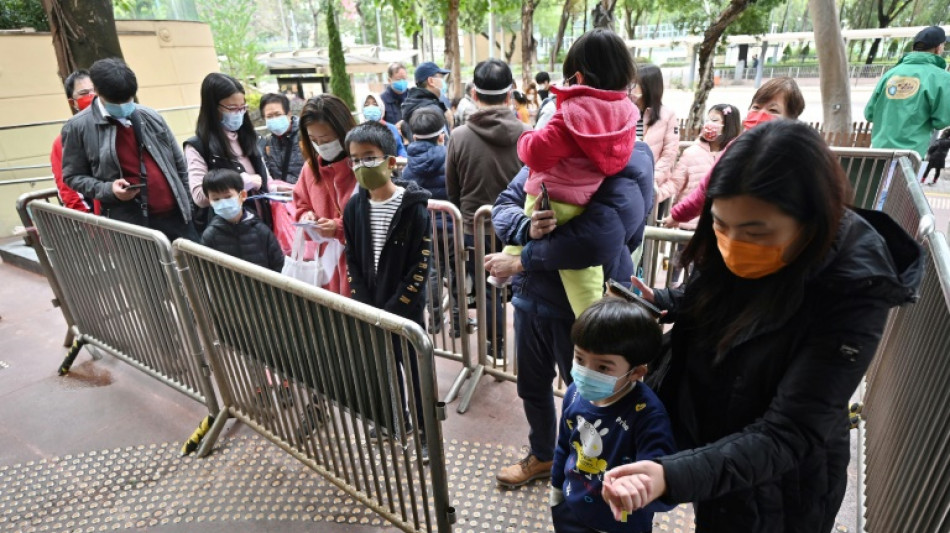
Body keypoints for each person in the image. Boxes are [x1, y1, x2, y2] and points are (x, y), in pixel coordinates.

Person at [600, 120, 923, 533]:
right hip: (718, 446)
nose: (733, 245)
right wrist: (662, 301)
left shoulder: (855, 291)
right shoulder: (736, 241)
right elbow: (709, 294)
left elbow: (789, 432)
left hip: (780, 487)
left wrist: (672, 476)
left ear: (813, 220)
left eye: (756, 232)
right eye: (719, 225)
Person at [488, 28, 654, 489]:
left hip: (583, 306)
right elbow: (505, 200)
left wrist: (521, 260)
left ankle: (588, 470)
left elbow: (598, 240)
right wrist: (526, 228)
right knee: (531, 387)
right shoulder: (557, 146)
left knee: (587, 395)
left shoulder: (632, 158)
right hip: (532, 301)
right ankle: (543, 454)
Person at [495, 27, 641, 319]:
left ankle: (587, 318)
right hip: (583, 199)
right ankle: (587, 315)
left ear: (579, 77)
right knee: (582, 277)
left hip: (550, 198)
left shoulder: (574, 112)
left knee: (538, 235)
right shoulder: (626, 116)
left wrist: (526, 137)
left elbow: (535, 152)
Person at [342, 121, 432, 462]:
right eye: (354, 160)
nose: (360, 166)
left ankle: (425, 431)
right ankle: (396, 421)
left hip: (405, 312)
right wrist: (365, 304)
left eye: (369, 157)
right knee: (383, 368)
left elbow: (420, 267)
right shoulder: (353, 208)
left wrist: (394, 309)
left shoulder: (414, 209)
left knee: (415, 370)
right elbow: (351, 256)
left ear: (390, 161)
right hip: (372, 307)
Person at [551, 297, 676, 533]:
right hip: (571, 509)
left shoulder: (648, 416)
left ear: (636, 372)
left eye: (603, 367)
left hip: (621, 524)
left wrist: (638, 492)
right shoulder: (574, 393)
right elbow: (564, 446)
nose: (585, 372)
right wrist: (557, 490)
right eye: (579, 359)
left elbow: (663, 481)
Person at [61, 58, 197, 242]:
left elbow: (179, 165)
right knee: (149, 271)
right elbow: (72, 176)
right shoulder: (78, 127)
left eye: (128, 100)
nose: (123, 106)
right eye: (116, 102)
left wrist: (189, 207)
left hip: (178, 217)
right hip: (132, 226)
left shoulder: (149, 116)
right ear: (98, 92)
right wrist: (109, 189)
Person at [446, 59, 530, 350]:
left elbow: (452, 190)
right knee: (521, 287)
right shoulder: (527, 134)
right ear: (510, 95)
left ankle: (494, 345)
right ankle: (520, 349)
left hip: (475, 229)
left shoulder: (458, 137)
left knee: (486, 290)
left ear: (474, 94)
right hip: (518, 230)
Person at [664, 77, 805, 227]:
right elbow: (708, 186)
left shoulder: (798, 156)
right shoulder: (737, 147)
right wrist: (679, 214)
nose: (761, 114)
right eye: (756, 107)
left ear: (791, 119)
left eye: (773, 110)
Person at [186, 73, 278, 234]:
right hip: (230, 233)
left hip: (262, 226)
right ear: (213, 108)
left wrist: (279, 189)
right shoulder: (199, 146)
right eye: (232, 108)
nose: (238, 113)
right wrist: (243, 182)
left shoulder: (249, 137)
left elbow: (265, 179)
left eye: (242, 108)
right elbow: (200, 196)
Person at [667, 104, 741, 284]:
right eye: (708, 119)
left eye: (715, 120)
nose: (709, 124)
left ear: (728, 125)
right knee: (677, 266)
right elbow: (676, 182)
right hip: (687, 224)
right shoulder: (692, 152)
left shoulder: (736, 155)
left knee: (701, 272)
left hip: (713, 225)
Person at [292, 94, 358, 296]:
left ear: (344, 131)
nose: (321, 145)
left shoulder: (363, 165)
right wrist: (306, 217)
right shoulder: (310, 169)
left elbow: (378, 216)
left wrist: (339, 228)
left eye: (327, 139)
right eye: (314, 140)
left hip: (359, 268)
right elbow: (301, 204)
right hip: (327, 269)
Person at [864, 25, 950, 158]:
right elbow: (941, 121)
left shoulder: (890, 74)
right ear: (938, 48)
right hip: (910, 156)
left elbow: (869, 113)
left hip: (879, 153)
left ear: (914, 48)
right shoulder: (943, 79)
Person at [200, 168, 285, 272]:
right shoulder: (210, 236)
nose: (223, 202)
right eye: (216, 199)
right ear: (209, 201)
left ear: (243, 195)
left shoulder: (261, 231)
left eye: (228, 197)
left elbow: (278, 265)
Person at [632, 64, 679, 210]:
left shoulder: (667, 115)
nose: (631, 87)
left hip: (652, 185)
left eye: (636, 83)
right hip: (628, 182)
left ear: (648, 86)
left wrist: (650, 179)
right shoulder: (625, 111)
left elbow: (669, 154)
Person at [51, 69, 98, 214]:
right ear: (73, 102)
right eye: (84, 93)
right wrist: (93, 226)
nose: (92, 96)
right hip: (103, 221)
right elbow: (70, 192)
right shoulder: (65, 140)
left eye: (95, 90)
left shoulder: (121, 125)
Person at [258, 93, 305, 185]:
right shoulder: (267, 143)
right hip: (282, 196)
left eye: (278, 114)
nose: (274, 119)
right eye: (269, 116)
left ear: (289, 113)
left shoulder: (306, 134)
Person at [400, 61, 453, 139]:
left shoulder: (412, 104)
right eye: (440, 77)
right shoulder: (432, 111)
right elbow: (443, 145)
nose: (443, 82)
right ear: (431, 81)